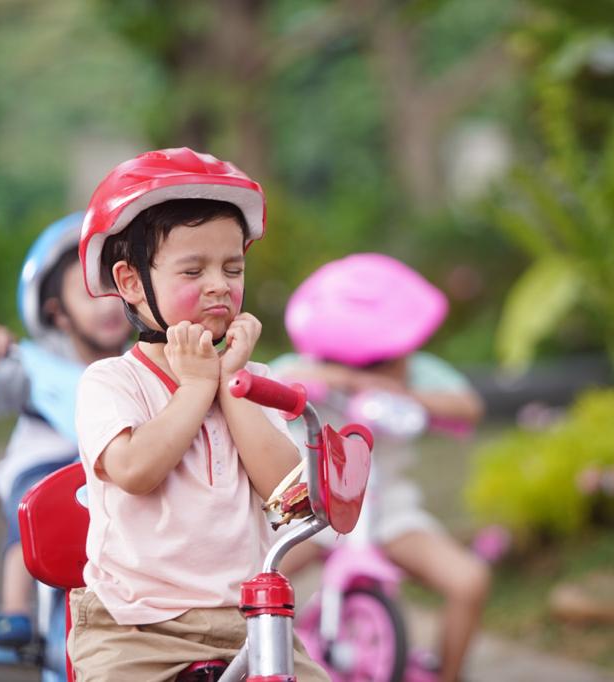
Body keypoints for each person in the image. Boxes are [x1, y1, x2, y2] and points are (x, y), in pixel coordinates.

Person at [71, 147, 328, 681]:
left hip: (250, 620)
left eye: (232, 268)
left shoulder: (251, 378)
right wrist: (195, 387)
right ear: (132, 282)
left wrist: (233, 386)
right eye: (194, 269)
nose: (220, 284)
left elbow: (287, 489)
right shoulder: (112, 382)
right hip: (136, 629)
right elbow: (136, 471)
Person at [272, 252, 490, 682]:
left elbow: (467, 406)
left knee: (469, 581)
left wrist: (399, 392)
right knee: (250, 582)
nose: (400, 364)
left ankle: (448, 674)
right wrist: (339, 380)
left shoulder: (415, 372)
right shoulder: (308, 369)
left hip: (387, 512)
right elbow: (274, 382)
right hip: (312, 507)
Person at [0, 213, 130, 646]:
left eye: (114, 290)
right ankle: (15, 609)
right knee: (30, 513)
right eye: (90, 294)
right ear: (58, 313)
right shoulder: (37, 368)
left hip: (111, 473)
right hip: (47, 472)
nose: (107, 305)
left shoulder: (136, 370)